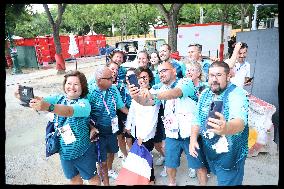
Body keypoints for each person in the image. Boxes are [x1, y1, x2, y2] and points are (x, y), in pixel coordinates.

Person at [128, 62, 208, 186]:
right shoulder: (159, 88)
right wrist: (136, 97)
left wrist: (153, 95)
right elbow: (147, 102)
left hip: (190, 134)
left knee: (199, 166)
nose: (161, 74)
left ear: (174, 71)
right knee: (170, 164)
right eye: (159, 72)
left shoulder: (186, 82)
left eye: (164, 70)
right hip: (172, 135)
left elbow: (175, 93)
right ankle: (172, 183)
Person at [14, 70, 100, 185]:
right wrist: (23, 97)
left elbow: (69, 111)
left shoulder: (84, 104)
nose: (71, 87)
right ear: (64, 85)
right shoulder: (59, 98)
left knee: (92, 178)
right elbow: (40, 100)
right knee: (73, 178)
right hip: (64, 153)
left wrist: (49, 107)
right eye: (69, 83)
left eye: (76, 84)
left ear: (82, 87)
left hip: (83, 151)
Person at [189, 61, 249, 186]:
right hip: (212, 152)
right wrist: (193, 139)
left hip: (231, 155)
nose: (214, 79)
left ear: (228, 76)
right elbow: (197, 118)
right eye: (211, 75)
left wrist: (226, 127)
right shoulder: (205, 93)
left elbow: (240, 122)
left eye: (219, 75)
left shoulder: (237, 94)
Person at [87, 66, 128, 185]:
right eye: (110, 78)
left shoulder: (113, 89)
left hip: (112, 130)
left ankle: (109, 170)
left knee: (112, 153)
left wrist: (134, 115)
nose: (113, 79)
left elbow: (121, 106)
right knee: (102, 162)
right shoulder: (90, 93)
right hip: (99, 132)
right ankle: (106, 182)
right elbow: (85, 116)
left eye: (113, 77)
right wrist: (91, 128)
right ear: (99, 80)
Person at [125, 66, 159, 185]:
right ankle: (142, 178)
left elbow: (152, 119)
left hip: (146, 134)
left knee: (146, 157)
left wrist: (142, 136)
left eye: (144, 77)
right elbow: (132, 111)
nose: (142, 80)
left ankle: (151, 179)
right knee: (140, 157)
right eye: (139, 77)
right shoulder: (136, 93)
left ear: (150, 77)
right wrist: (128, 126)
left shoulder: (153, 94)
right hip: (136, 131)